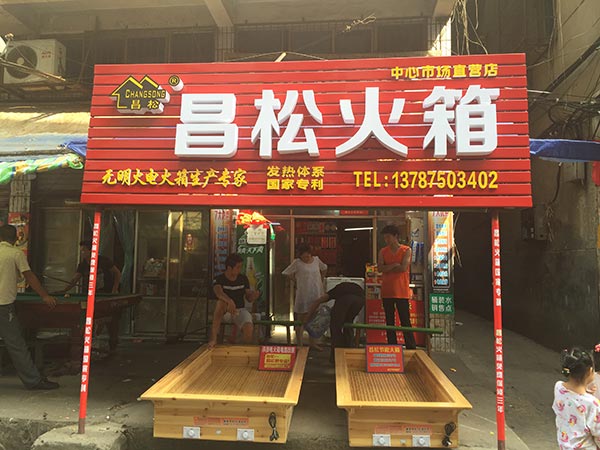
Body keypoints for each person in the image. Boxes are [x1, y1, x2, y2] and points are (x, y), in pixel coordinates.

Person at [0, 225, 59, 390]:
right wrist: (45, 296)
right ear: (16, 239)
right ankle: (33, 380)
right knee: (16, 345)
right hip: (4, 306)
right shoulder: (16, 253)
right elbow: (29, 276)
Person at [304, 281, 364, 363]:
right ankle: (348, 352)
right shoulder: (345, 288)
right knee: (348, 324)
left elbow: (317, 301)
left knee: (335, 327)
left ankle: (336, 358)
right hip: (360, 300)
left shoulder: (333, 292)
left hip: (346, 299)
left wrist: (306, 318)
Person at [377, 224, 416, 349]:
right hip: (387, 291)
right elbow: (380, 268)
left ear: (396, 236)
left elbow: (403, 267)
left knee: (405, 320)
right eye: (385, 237)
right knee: (389, 321)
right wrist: (394, 265)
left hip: (402, 291)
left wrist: (387, 267)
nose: (386, 240)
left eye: (388, 237)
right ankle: (392, 346)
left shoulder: (406, 250)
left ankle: (411, 347)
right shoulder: (383, 251)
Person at [553, 347, 600, 449]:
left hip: (564, 445)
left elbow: (574, 399)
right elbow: (598, 433)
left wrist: (587, 392)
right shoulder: (593, 403)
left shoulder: (559, 387)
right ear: (590, 371)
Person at [209, 253, 259, 349]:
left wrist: (253, 295)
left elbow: (248, 297)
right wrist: (229, 301)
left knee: (248, 326)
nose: (240, 269)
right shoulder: (219, 279)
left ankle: (244, 349)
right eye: (238, 267)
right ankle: (213, 339)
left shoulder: (243, 278)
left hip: (239, 310)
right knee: (221, 303)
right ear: (229, 268)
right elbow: (218, 293)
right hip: (225, 311)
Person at [282, 243, 327, 348]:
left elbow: (324, 268)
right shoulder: (297, 263)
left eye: (307, 256)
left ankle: (313, 343)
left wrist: (321, 279)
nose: (306, 258)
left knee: (314, 319)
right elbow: (286, 273)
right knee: (301, 319)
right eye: (303, 256)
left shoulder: (316, 260)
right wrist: (295, 280)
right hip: (303, 294)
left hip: (316, 293)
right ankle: (299, 343)